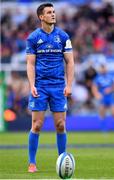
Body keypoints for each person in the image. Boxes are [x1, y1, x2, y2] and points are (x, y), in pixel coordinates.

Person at [26, 3, 74, 173]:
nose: (53, 14)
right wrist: (32, 85)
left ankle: (62, 161)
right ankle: (32, 163)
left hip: (58, 86)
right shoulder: (33, 38)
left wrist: (69, 85)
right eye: (49, 12)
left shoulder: (62, 36)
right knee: (37, 125)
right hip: (40, 87)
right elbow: (30, 64)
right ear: (41, 16)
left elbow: (70, 62)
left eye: (54, 12)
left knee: (60, 125)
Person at [92, 64, 114, 131]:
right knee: (102, 112)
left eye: (104, 68)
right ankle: (103, 128)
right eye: (102, 68)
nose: (103, 70)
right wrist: (96, 94)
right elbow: (94, 87)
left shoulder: (110, 76)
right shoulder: (97, 78)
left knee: (113, 112)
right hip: (102, 97)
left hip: (110, 96)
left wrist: (110, 90)